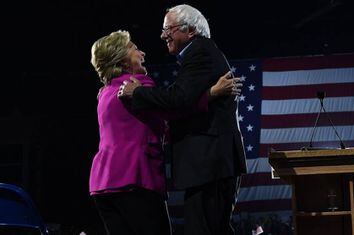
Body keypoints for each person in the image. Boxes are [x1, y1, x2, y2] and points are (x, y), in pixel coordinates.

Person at [89, 30, 241, 235]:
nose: (142, 53)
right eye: (134, 49)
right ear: (122, 59)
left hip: (102, 184)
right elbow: (177, 108)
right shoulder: (137, 86)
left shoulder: (105, 92)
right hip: (136, 178)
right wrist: (212, 93)